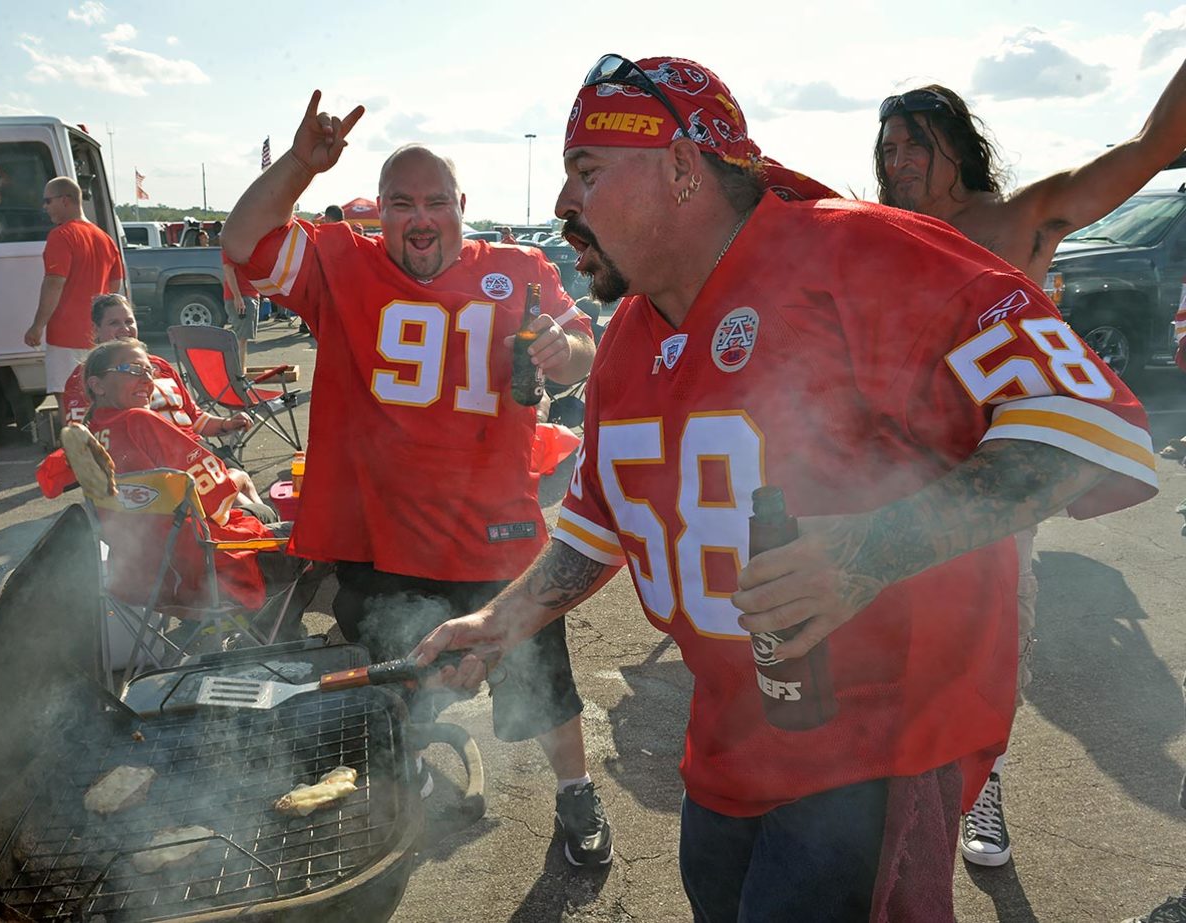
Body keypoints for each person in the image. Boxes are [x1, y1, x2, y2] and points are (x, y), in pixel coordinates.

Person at [413, 54, 1158, 921]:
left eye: (586, 171)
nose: (561, 203)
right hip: (722, 751)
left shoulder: (864, 252)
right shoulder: (627, 342)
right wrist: (498, 623)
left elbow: (1084, 419)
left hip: (872, 750)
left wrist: (868, 550)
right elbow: (599, 521)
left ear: (682, 168)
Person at [222, 93, 610, 867]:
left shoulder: (517, 268)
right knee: (387, 688)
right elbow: (243, 241)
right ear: (382, 214)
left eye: (436, 202)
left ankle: (576, 793)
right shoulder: (342, 262)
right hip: (385, 538)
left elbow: (582, 344)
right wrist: (299, 166)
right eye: (402, 203)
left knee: (545, 684)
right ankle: (414, 787)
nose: (420, 217)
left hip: (496, 537)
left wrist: (562, 350)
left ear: (463, 207)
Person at [876, 61, 1186, 868]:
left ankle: (984, 781)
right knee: (888, 643)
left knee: (995, 638)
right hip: (891, 473)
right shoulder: (878, 234)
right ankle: (889, 793)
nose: (897, 161)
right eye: (888, 148)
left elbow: (1152, 146)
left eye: (914, 144)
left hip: (997, 477)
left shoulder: (1025, 220)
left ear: (957, 145)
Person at [79, 338, 320, 632]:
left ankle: (230, 627)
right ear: (97, 385)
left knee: (264, 517)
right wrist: (237, 478)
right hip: (203, 573)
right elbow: (214, 495)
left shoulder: (87, 438)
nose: (147, 379)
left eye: (149, 371)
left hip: (143, 578)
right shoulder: (140, 421)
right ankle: (272, 634)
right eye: (132, 370)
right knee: (316, 539)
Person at [51, 293, 263, 509]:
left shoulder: (160, 366)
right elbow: (81, 444)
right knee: (241, 499)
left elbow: (194, 417)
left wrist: (227, 423)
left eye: (129, 321)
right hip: (157, 471)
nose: (125, 329)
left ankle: (265, 521)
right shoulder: (89, 378)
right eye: (114, 323)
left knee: (248, 495)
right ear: (96, 330)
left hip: (197, 451)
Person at [24, 176, 124, 415]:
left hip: (65, 336)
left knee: (71, 405)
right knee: (100, 403)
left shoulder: (61, 235)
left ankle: (74, 441)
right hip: (98, 336)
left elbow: (54, 283)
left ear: (65, 200)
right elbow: (115, 286)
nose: (45, 207)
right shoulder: (105, 239)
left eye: (48, 201)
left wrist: (37, 326)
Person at [221, 247, 262, 373]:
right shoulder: (231, 246)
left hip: (249, 295)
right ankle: (238, 375)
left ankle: (239, 373)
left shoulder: (244, 244)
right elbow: (228, 271)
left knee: (242, 339)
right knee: (241, 339)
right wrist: (237, 297)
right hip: (242, 297)